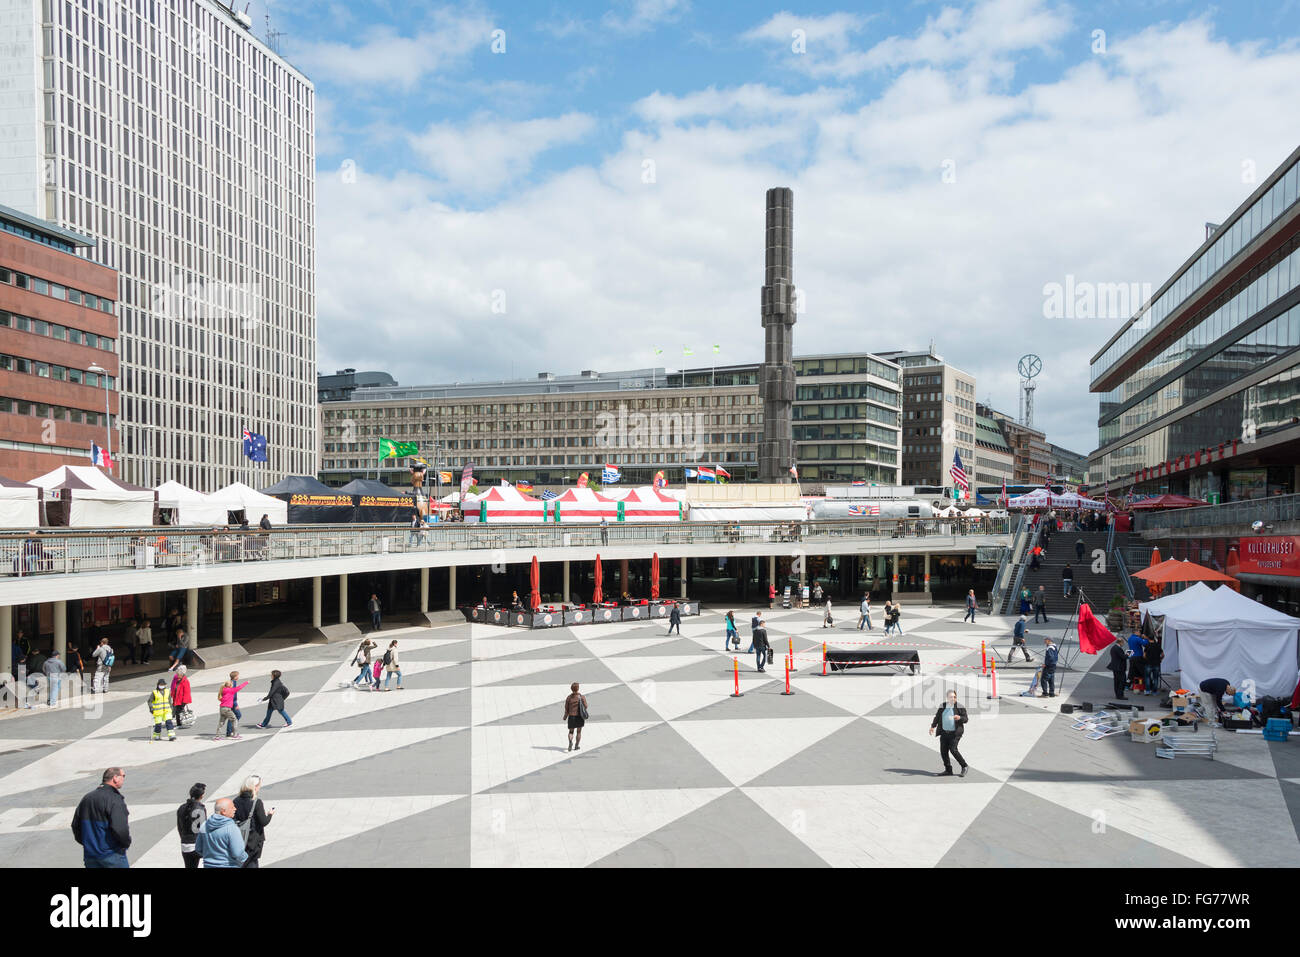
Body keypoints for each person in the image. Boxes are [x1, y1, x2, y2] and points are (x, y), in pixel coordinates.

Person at [71, 767, 131, 868]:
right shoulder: (114, 799)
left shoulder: (87, 798)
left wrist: (88, 844)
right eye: (123, 776)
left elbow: (75, 825)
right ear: (115, 778)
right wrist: (126, 843)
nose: (124, 779)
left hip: (91, 856)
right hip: (112, 855)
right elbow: (120, 829)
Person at [232, 774, 274, 869]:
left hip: (240, 837)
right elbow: (263, 822)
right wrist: (270, 814)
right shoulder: (256, 802)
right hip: (254, 841)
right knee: (252, 863)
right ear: (254, 787)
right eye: (259, 786)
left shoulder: (236, 800)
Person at [194, 798, 247, 868]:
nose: (235, 809)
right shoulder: (231, 828)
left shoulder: (204, 826)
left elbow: (198, 848)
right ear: (223, 811)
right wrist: (245, 857)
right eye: (232, 807)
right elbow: (238, 853)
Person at [929, 690, 969, 777]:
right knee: (943, 751)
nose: (953, 699)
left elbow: (966, 719)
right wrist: (933, 726)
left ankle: (964, 766)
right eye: (951, 697)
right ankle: (948, 770)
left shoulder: (960, 707)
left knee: (953, 749)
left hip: (955, 733)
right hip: (944, 732)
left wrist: (959, 718)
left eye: (954, 697)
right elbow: (937, 716)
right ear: (947, 698)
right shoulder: (943, 706)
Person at [176, 783, 207, 868]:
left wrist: (183, 838)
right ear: (201, 796)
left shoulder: (181, 808)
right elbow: (204, 829)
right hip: (196, 844)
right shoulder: (200, 809)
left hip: (185, 844)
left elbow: (179, 827)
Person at [213, 676, 247, 741]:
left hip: (222, 708)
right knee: (234, 719)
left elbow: (222, 699)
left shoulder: (223, 690)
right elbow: (239, 687)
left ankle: (217, 736)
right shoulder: (231, 690)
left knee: (221, 722)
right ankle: (235, 734)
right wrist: (246, 682)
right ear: (230, 685)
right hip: (227, 709)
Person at [564, 682, 588, 752]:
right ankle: (576, 745)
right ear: (578, 688)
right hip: (579, 717)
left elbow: (566, 708)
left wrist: (565, 716)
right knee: (579, 732)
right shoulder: (581, 697)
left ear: (571, 689)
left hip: (571, 717)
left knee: (571, 732)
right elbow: (586, 706)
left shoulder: (569, 697)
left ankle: (570, 742)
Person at [170, 666, 193, 730]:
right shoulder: (178, 680)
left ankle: (179, 724)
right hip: (177, 699)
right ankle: (180, 723)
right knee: (178, 711)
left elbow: (187, 692)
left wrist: (184, 701)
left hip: (182, 700)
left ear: (182, 674)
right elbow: (174, 688)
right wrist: (172, 695)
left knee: (178, 712)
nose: (177, 675)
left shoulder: (185, 681)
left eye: (178, 674)